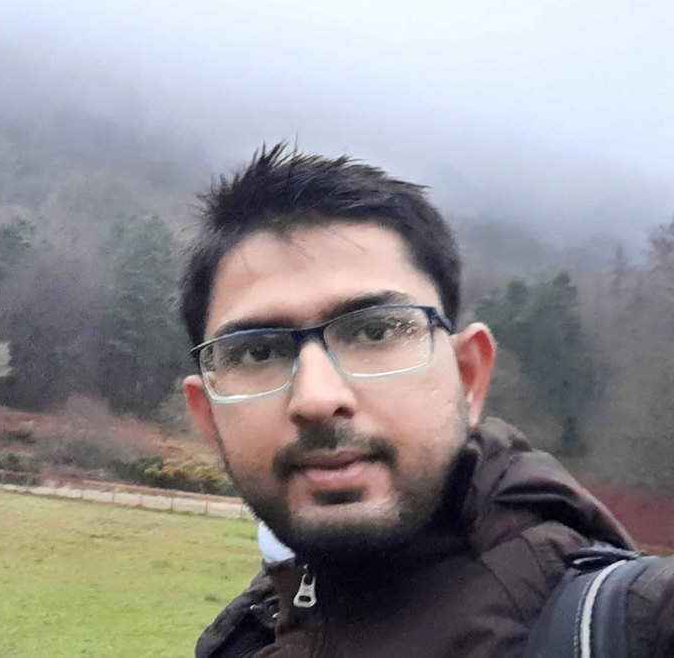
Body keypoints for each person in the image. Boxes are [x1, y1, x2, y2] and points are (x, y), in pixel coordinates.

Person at [179, 144, 674, 658]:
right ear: (208, 418)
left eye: (374, 332)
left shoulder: (636, 625)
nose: (318, 399)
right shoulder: (244, 637)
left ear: (468, 376)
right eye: (258, 351)